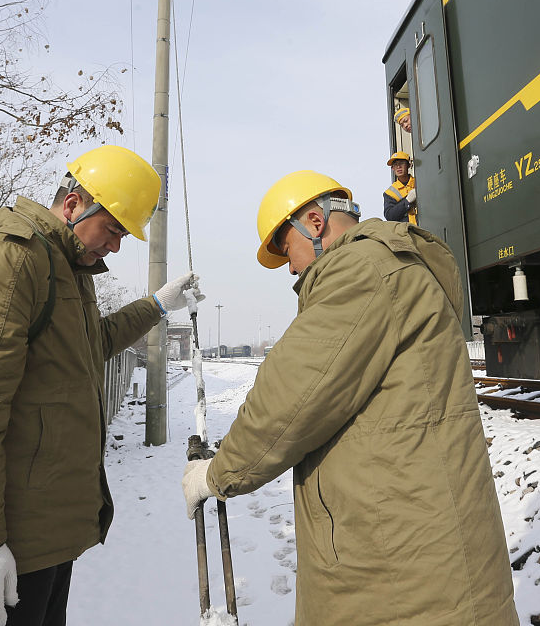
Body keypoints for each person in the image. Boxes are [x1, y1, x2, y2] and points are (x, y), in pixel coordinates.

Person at [181, 171, 518, 626]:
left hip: (399, 567)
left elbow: (290, 400)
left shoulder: (361, 271)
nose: (292, 269)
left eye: (287, 251)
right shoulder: (391, 265)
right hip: (418, 539)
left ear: (315, 223)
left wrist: (217, 476)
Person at [0, 145, 203, 626]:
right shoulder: (9, 260)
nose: (115, 246)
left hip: (37, 533)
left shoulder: (64, 264)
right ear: (73, 204)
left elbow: (90, 345)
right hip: (0, 541)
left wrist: (156, 305)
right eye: (112, 228)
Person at [383, 150, 417, 224]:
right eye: (395, 164)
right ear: (392, 168)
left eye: (401, 163)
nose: (398, 167)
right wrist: (407, 201)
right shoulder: (390, 193)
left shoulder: (418, 183)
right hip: (405, 232)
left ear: (408, 165)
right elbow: (390, 216)